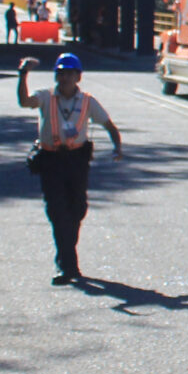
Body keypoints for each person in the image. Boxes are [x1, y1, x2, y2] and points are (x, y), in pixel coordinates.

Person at [19, 52, 122, 284]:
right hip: (51, 160)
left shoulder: (87, 101)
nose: (64, 78)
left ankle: (66, 258)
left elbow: (109, 126)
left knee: (77, 210)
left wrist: (117, 147)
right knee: (57, 212)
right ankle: (68, 266)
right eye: (61, 73)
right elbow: (24, 101)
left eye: (69, 73)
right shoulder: (45, 97)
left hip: (76, 160)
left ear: (78, 76)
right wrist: (23, 74)